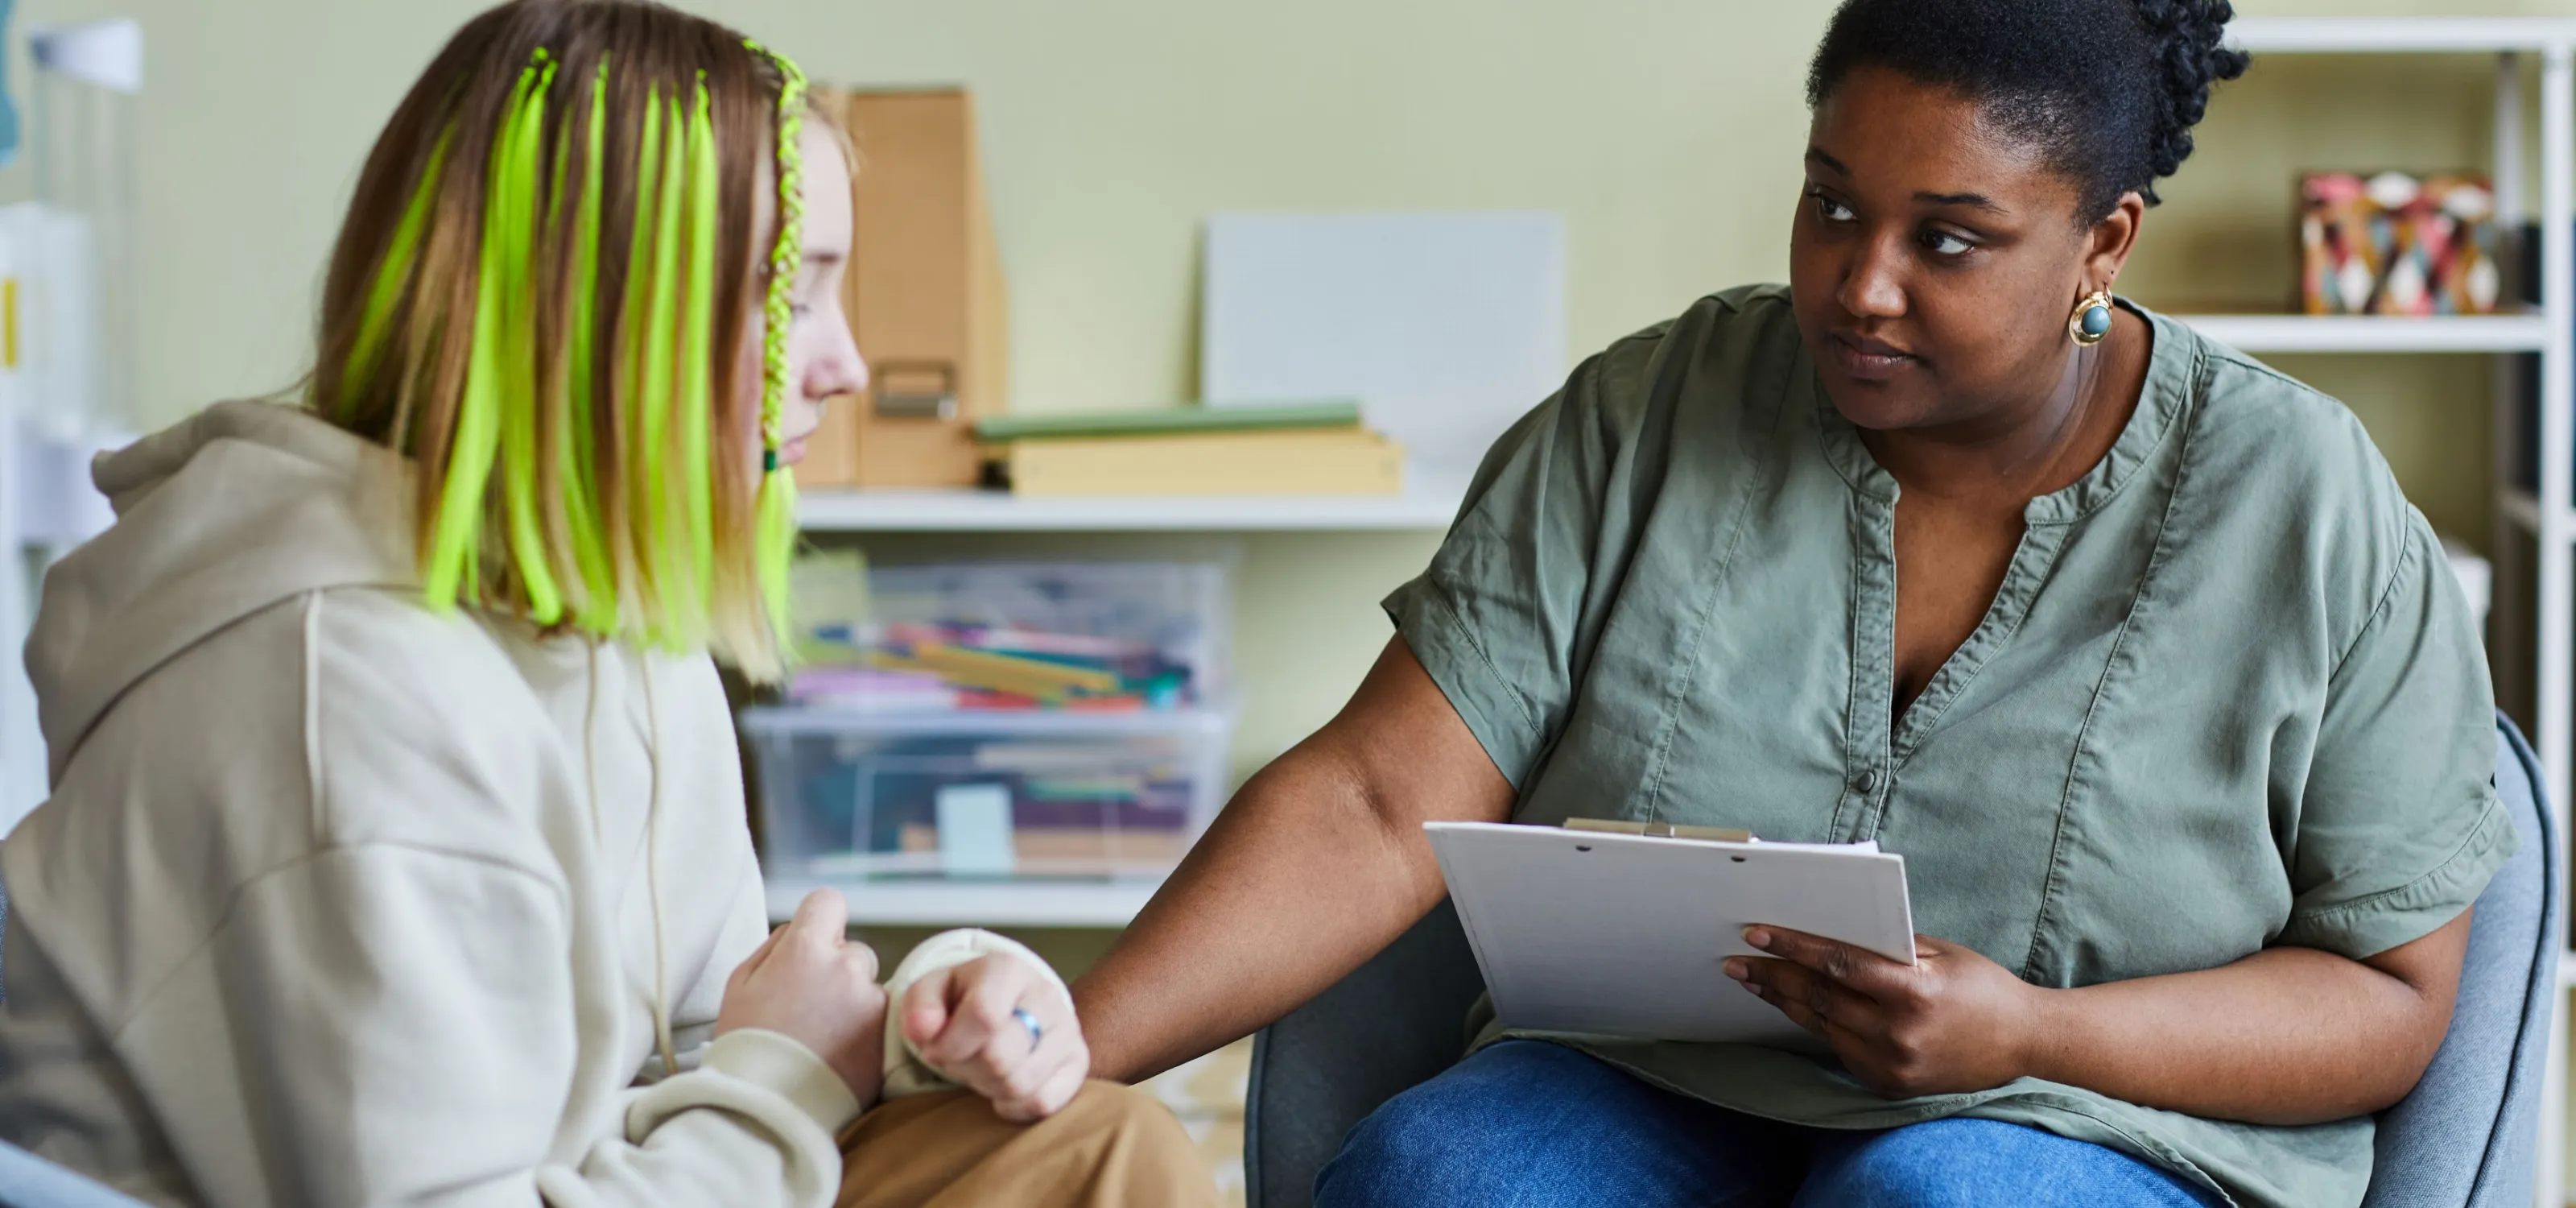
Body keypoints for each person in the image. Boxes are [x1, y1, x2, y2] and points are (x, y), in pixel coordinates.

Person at [1072, 2, 2508, 1206]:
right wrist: (1058, 1054)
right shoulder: (1648, 415)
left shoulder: (2305, 502)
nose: (1860, 285)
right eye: (1832, 204)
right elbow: (1376, 802)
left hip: (2084, 1121)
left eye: (1947, 240)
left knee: (1933, 1199)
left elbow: (2390, 997)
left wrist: (2034, 1032)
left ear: (2103, 244)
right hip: (1650, 1086)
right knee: (1453, 1174)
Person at [0, 3, 1212, 1206]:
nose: (843, 363)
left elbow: (696, 1032)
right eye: (796, 298)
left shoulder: (615, 626)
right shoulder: (343, 700)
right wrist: (789, 1075)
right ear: (612, 317)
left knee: (1108, 1144)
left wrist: (927, 1024)